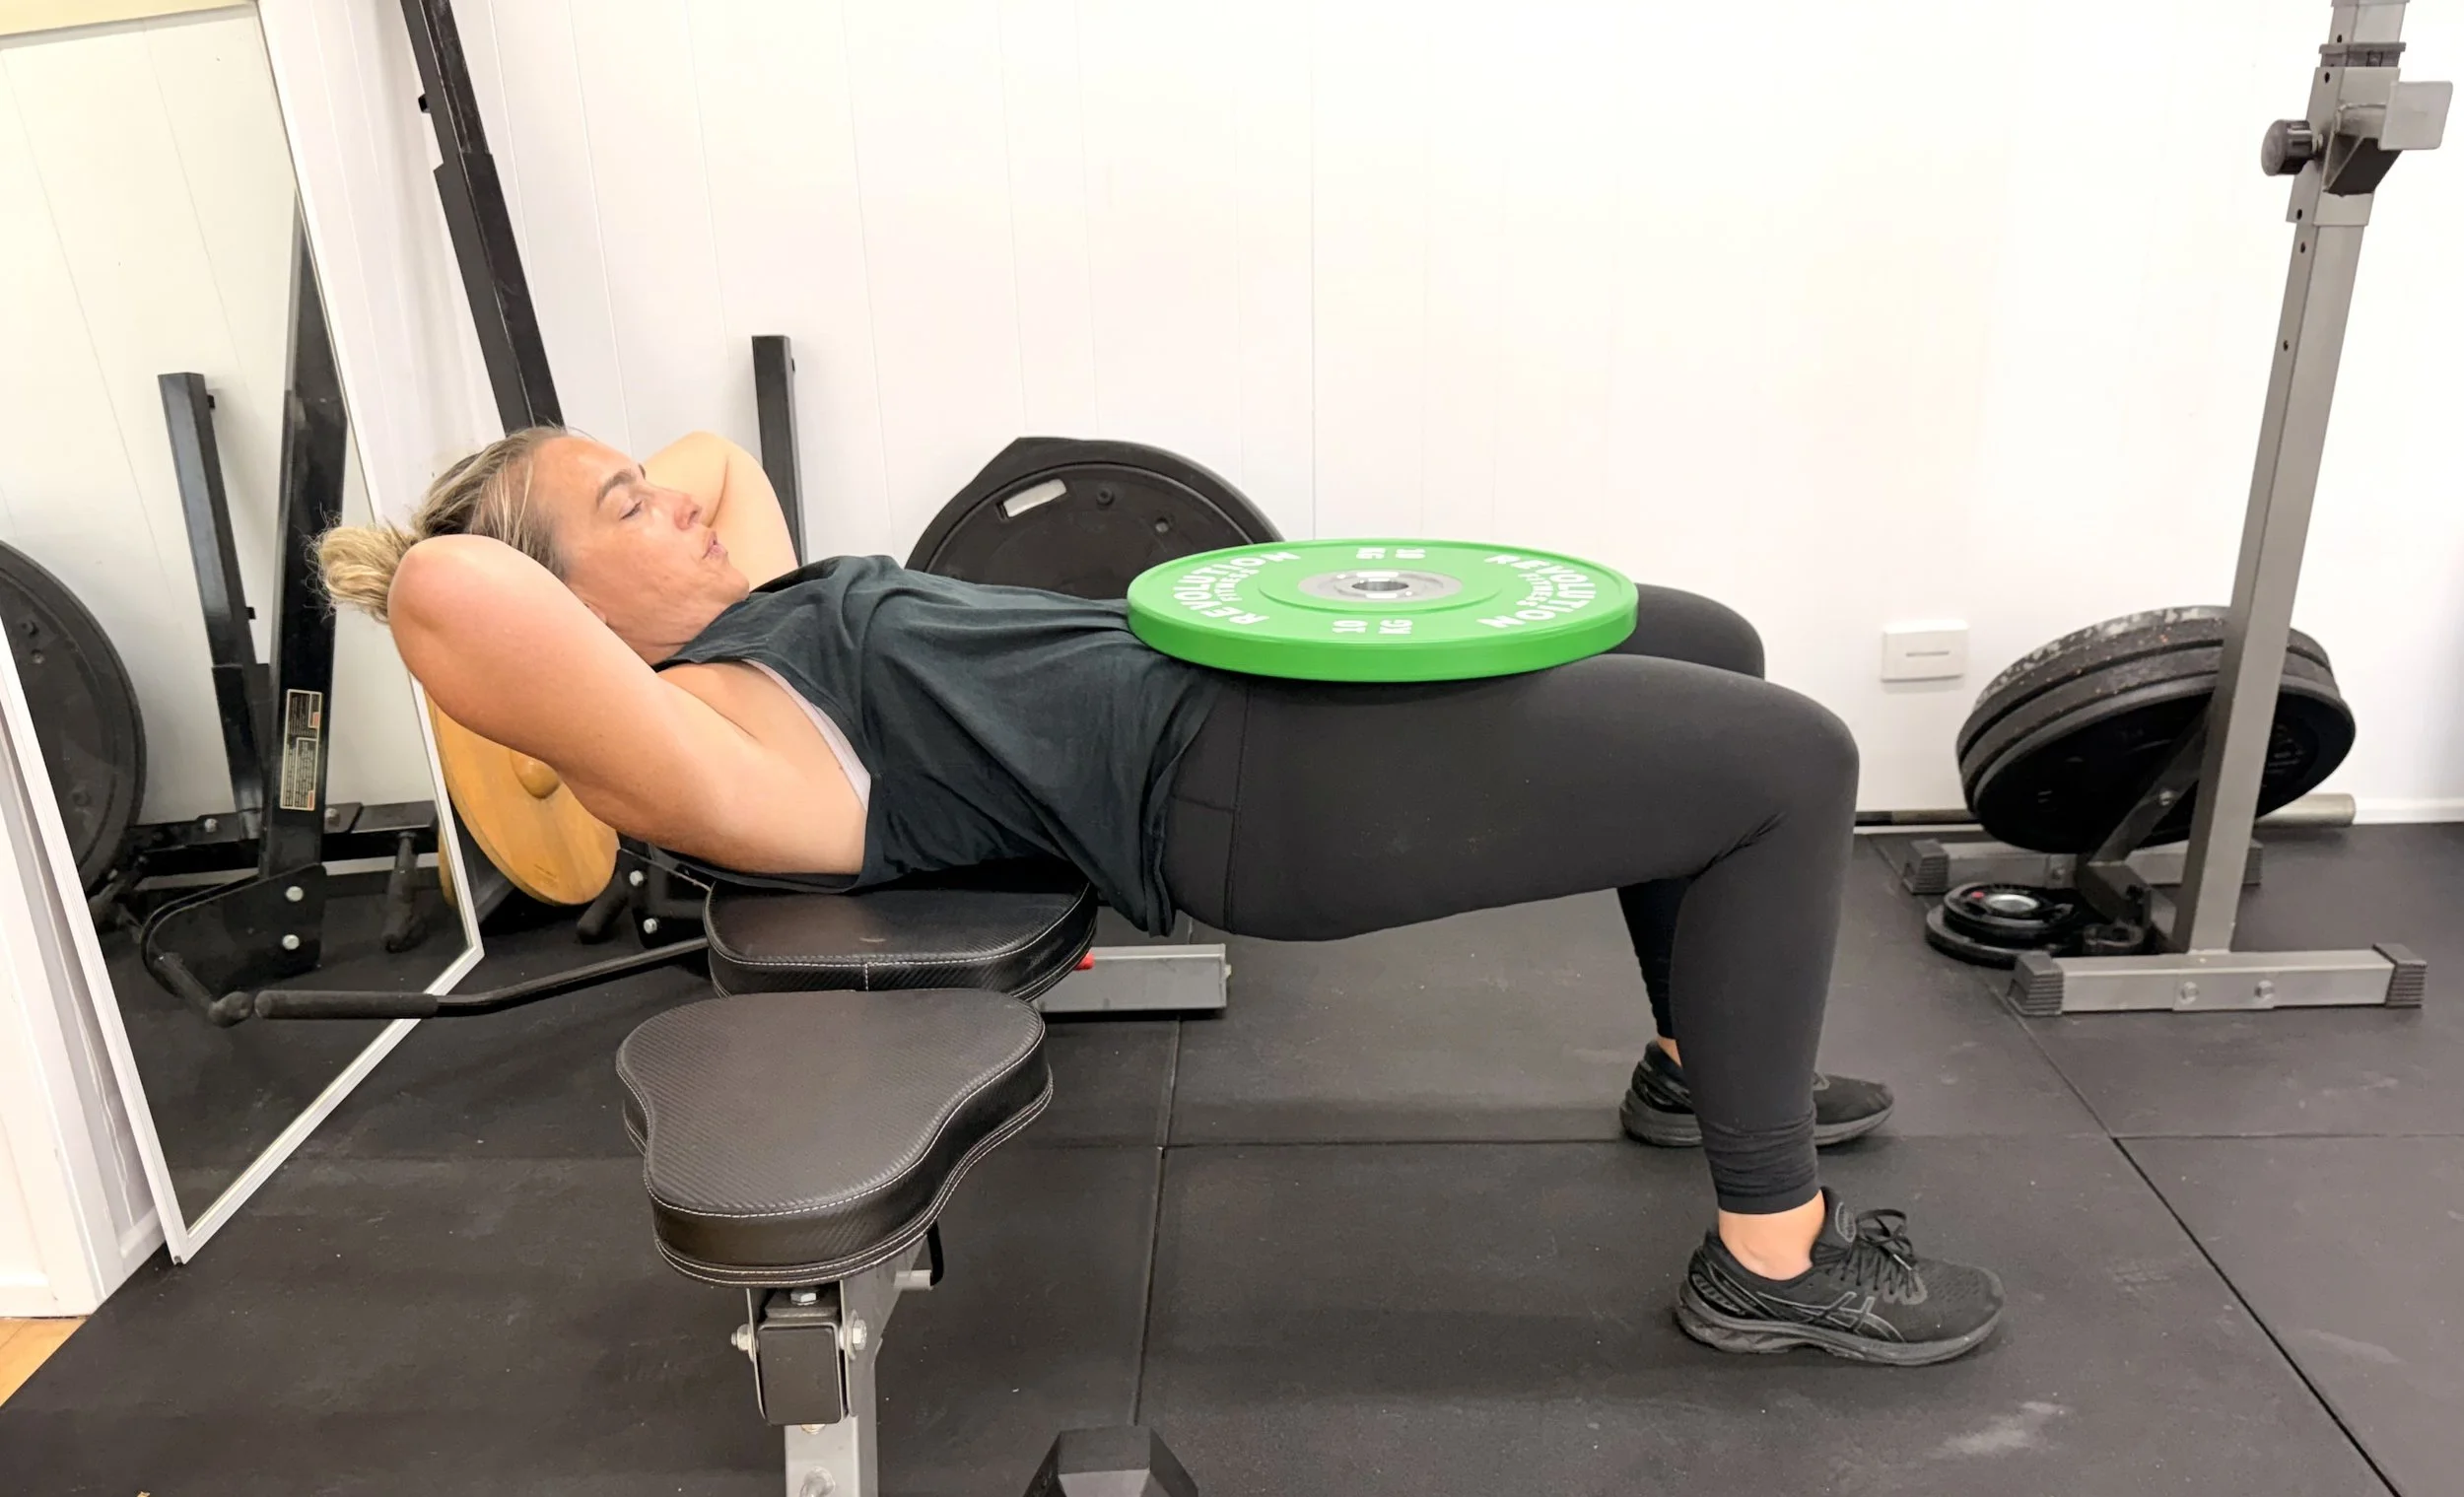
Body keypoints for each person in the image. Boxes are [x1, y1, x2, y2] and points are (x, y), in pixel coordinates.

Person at [318, 427, 2005, 1366]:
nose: (678, 495)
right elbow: (459, 594)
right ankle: (1773, 1266)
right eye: (623, 508)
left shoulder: (755, 607)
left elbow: (706, 477)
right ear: (569, 626)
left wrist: (598, 499)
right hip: (1253, 794)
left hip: (1256, 692)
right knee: (1792, 762)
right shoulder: (711, 745)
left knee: (1706, 638)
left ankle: (1700, 1070)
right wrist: (434, 561)